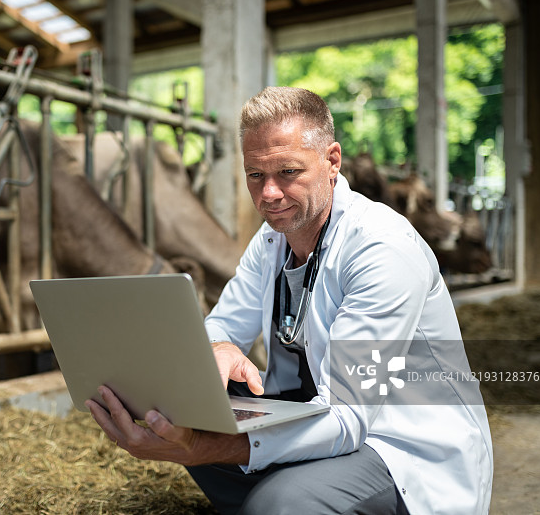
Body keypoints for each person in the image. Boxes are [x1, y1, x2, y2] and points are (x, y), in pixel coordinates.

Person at [85, 86, 493, 515]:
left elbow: (348, 418)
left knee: (279, 501)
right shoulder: (272, 241)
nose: (269, 195)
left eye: (288, 172)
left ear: (332, 161)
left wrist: (202, 447)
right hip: (316, 419)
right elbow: (221, 326)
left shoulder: (382, 250)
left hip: (398, 446)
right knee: (190, 402)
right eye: (255, 175)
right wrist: (218, 348)